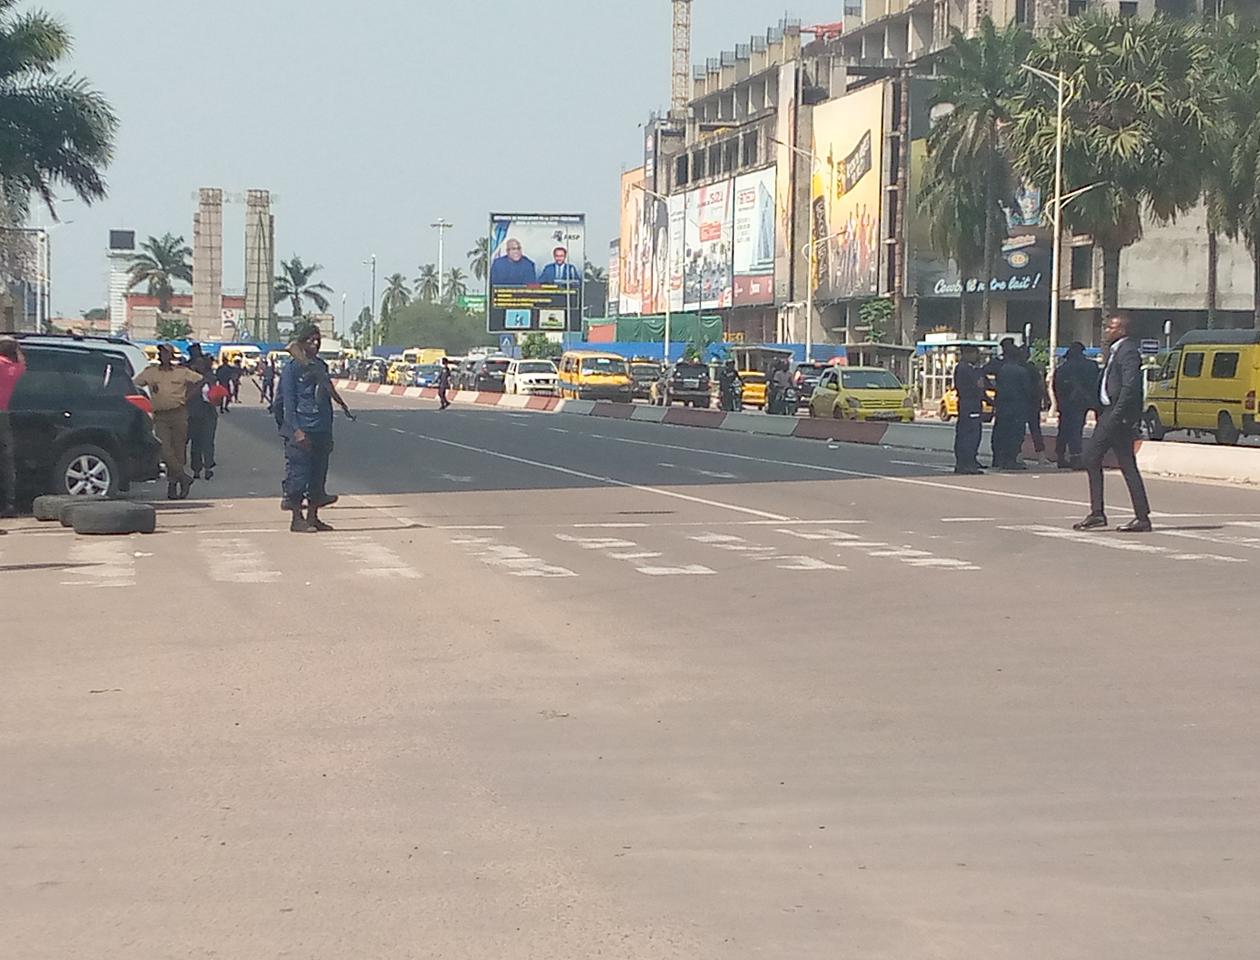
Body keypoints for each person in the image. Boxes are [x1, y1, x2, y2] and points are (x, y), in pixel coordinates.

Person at [1075, 314, 1152, 533]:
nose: (1107, 330)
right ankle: (1140, 516)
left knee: (1091, 456)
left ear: (1123, 330)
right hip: (1110, 413)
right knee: (1126, 464)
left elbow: (1129, 387)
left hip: (1117, 415)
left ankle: (1099, 513)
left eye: (1112, 327)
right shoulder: (1116, 351)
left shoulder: (1127, 351)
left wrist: (1116, 414)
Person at [277, 323, 353, 533]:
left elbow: (326, 395)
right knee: (299, 475)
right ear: (301, 342)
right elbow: (287, 403)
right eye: (310, 339)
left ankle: (313, 517)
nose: (315, 343)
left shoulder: (320, 366)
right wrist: (296, 430)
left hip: (321, 427)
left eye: (318, 339)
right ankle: (297, 519)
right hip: (301, 427)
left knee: (318, 476)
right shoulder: (291, 369)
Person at [133, 343, 202, 499]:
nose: (163, 356)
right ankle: (184, 478)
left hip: (179, 413)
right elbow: (134, 385)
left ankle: (174, 485)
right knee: (164, 450)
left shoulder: (181, 372)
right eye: (161, 353)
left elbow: (200, 381)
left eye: (166, 353)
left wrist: (188, 396)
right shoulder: (150, 373)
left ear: (171, 356)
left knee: (179, 451)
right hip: (160, 416)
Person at [1053, 342, 1100, 470]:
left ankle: (1062, 457)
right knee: (1076, 430)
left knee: (1065, 430)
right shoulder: (1091, 366)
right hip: (1084, 402)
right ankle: (1076, 458)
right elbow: (1097, 384)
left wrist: (1059, 403)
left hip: (1067, 403)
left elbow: (1056, 387)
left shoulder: (1063, 369)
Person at [0, 336, 27, 524]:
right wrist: (16, 346)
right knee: (6, 462)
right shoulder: (16, 369)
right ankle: (9, 503)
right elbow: (22, 361)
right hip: (4, 414)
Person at [992, 349, 1031, 470]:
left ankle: (1000, 459)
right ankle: (1011, 460)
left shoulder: (1002, 370)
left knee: (1002, 433)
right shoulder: (1021, 371)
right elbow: (1027, 389)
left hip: (1003, 406)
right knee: (1015, 434)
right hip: (1017, 406)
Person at [952, 343, 986, 475]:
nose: (976, 356)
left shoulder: (970, 368)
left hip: (972, 404)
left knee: (972, 434)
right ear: (967, 354)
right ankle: (966, 463)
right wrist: (978, 387)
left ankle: (969, 460)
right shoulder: (964, 369)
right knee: (969, 435)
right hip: (969, 404)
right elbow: (974, 387)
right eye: (974, 353)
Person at [186, 354, 221, 481]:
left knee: (207, 441)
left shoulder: (210, 378)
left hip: (208, 413)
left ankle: (208, 467)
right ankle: (196, 468)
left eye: (202, 364)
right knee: (196, 443)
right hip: (193, 414)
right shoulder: (189, 378)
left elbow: (216, 395)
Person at [1022, 346, 1048, 465]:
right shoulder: (1032, 368)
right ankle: (1041, 456)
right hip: (1033, 402)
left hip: (1022, 402)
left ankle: (1017, 455)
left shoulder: (1019, 368)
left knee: (1018, 430)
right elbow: (1040, 384)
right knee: (1035, 429)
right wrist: (1043, 398)